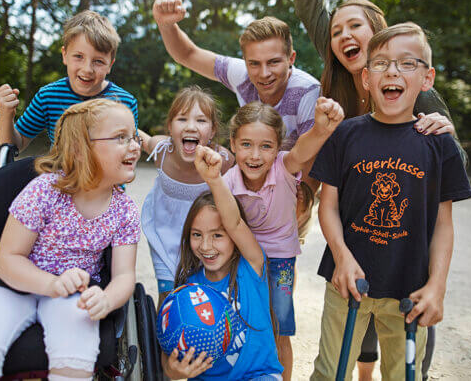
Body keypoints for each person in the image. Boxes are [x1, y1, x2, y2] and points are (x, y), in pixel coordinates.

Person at [289, 0, 468, 377]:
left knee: (403, 324)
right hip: (352, 231)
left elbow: (448, 175)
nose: (344, 34)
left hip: (405, 255)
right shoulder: (345, 111)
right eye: (337, 30)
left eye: (356, 26)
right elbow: (311, 6)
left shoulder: (416, 96)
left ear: (377, 34)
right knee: (354, 309)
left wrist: (446, 133)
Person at [0, 99, 141, 381]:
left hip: (75, 291)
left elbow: (124, 276)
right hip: (12, 284)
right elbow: (9, 258)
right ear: (81, 149)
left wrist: (107, 300)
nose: (135, 145)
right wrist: (50, 284)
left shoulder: (125, 210)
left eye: (134, 136)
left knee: (77, 358)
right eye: (121, 137)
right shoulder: (44, 191)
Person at [152, 0, 321, 239]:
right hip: (250, 177)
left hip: (291, 182)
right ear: (245, 62)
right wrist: (166, 24)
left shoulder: (307, 91)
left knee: (278, 259)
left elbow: (312, 158)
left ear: (291, 58)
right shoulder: (241, 74)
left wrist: (299, 204)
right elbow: (188, 54)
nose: (264, 74)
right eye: (254, 64)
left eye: (274, 62)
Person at [220, 98, 344, 380]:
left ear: (278, 148)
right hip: (241, 262)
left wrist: (322, 130)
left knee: (279, 330)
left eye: (266, 146)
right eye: (246, 144)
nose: (255, 155)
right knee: (239, 326)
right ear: (233, 144)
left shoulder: (283, 167)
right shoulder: (227, 181)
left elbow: (303, 150)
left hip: (280, 265)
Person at [161, 145, 285, 380]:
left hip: (259, 375)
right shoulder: (188, 289)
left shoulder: (251, 265)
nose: (206, 246)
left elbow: (235, 223)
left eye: (217, 235)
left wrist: (214, 179)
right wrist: (172, 371)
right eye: (197, 234)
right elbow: (170, 350)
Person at [138, 85, 234, 307]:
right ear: (170, 127)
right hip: (164, 236)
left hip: (204, 239)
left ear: (212, 131)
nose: (191, 126)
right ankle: (166, 339)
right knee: (168, 298)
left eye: (201, 121)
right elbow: (139, 137)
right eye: (182, 119)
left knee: (203, 298)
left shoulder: (223, 160)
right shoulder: (160, 151)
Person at [0, 10, 138, 152]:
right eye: (78, 56)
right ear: (65, 55)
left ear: (110, 65)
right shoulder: (48, 96)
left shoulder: (125, 102)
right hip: (60, 174)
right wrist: (7, 115)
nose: (87, 69)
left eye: (98, 61)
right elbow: (15, 145)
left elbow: (130, 152)